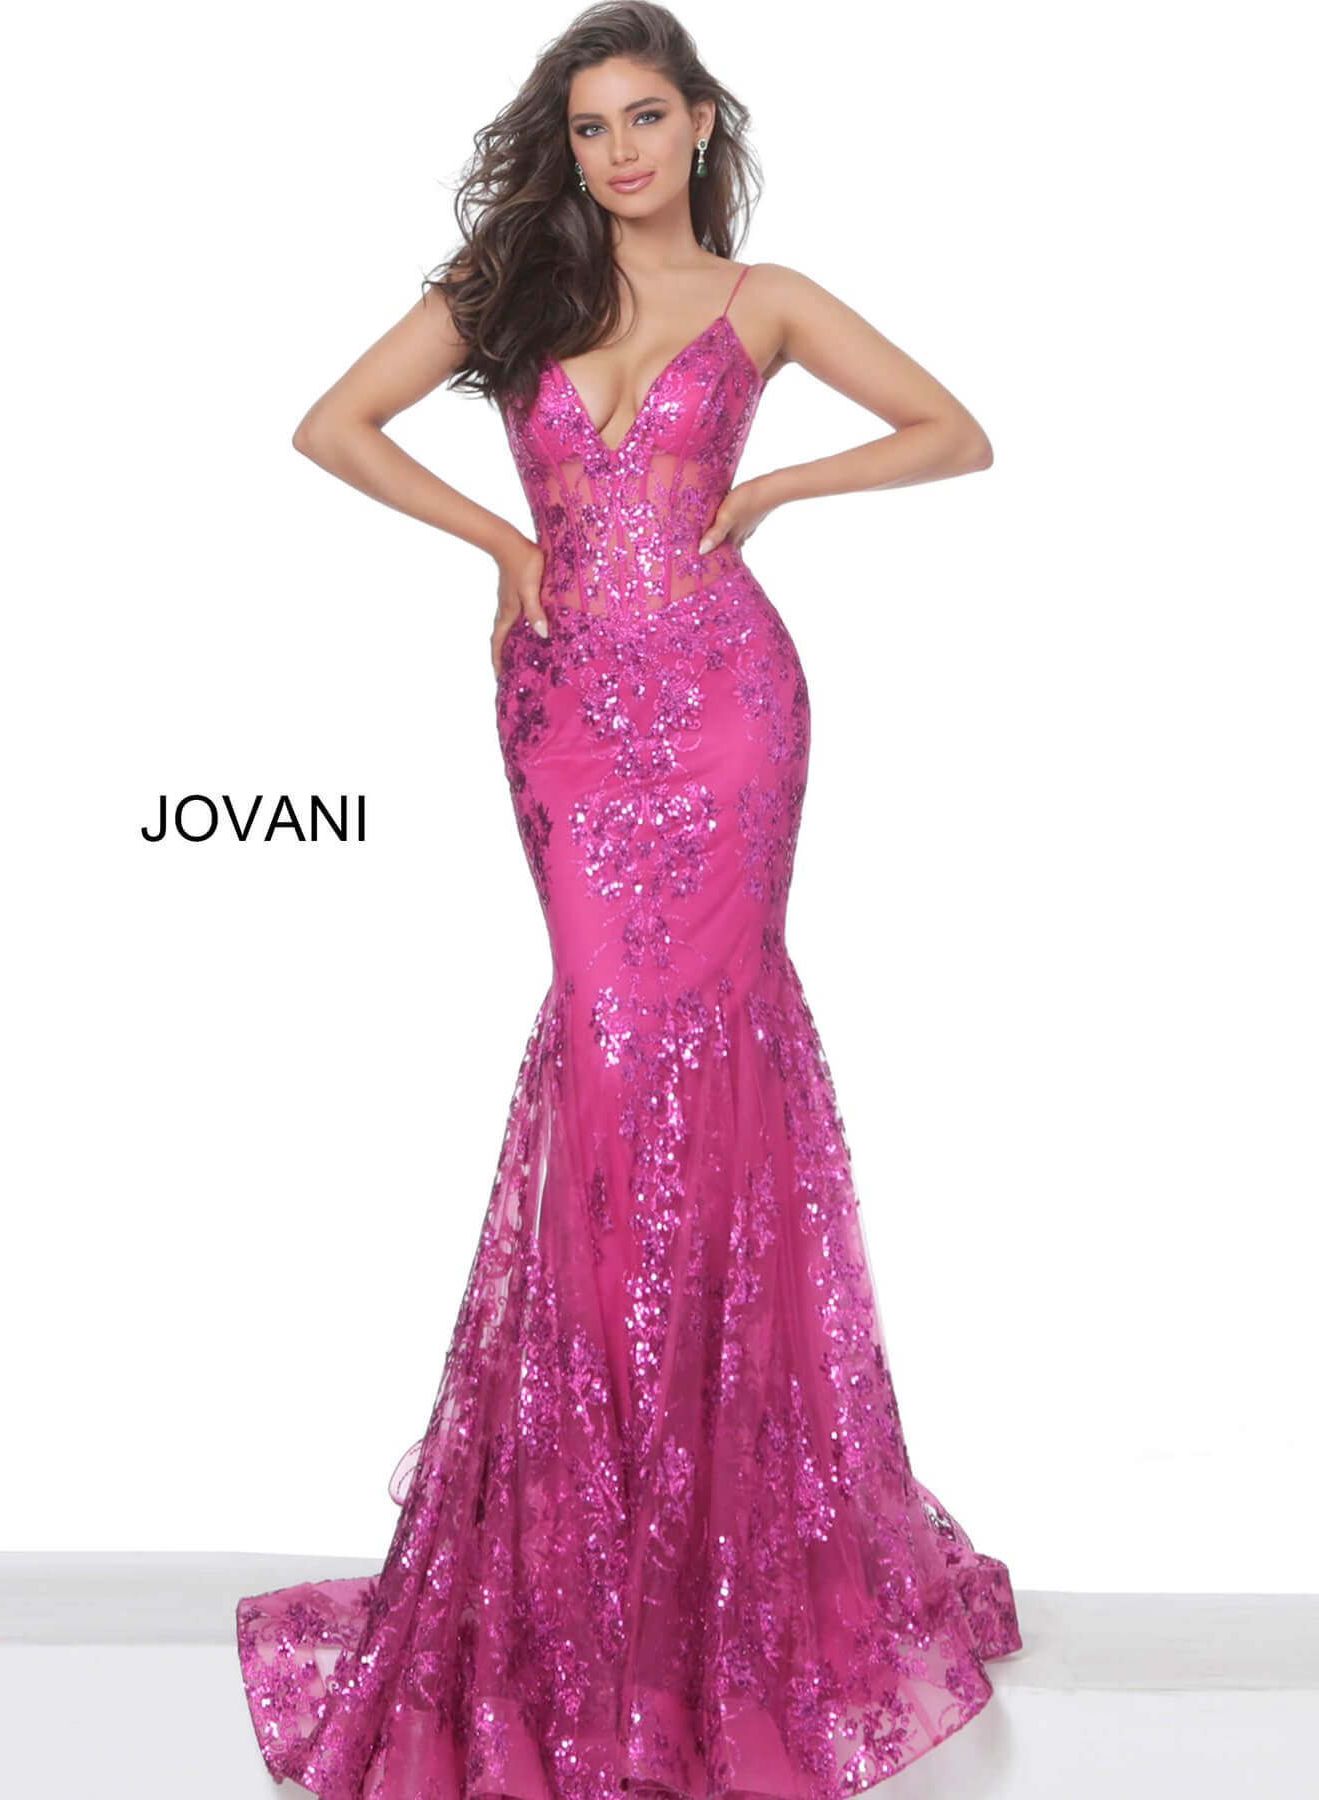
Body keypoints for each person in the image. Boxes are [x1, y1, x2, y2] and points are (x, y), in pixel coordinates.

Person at [235, 6, 1022, 1796]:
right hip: (567, 711)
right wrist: (502, 542)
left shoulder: (766, 300)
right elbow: (329, 425)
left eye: (645, 118)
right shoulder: (509, 293)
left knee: (710, 1063)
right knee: (606, 1058)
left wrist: (783, 483)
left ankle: (729, 1542)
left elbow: (957, 432)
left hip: (731, 705)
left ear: (700, 121)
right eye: (590, 128)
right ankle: (590, 1539)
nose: (619, 154)